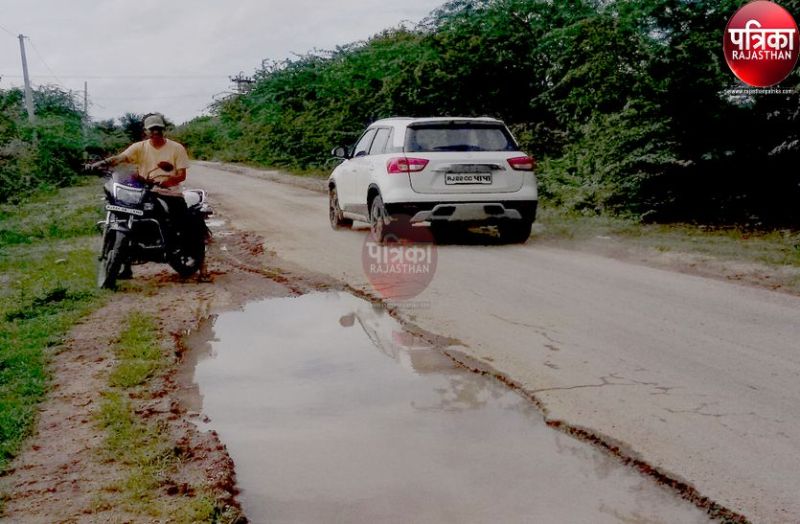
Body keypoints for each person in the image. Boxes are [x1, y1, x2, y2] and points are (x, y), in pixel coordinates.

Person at [91, 113, 191, 278]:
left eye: (158, 129)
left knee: (177, 217)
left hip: (169, 191)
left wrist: (166, 181)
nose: (156, 132)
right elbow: (122, 157)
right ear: (146, 131)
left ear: (163, 129)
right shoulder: (140, 147)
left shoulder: (176, 148)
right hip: (145, 190)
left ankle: (176, 246)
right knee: (125, 214)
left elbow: (181, 175)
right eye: (152, 129)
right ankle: (125, 265)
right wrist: (103, 163)